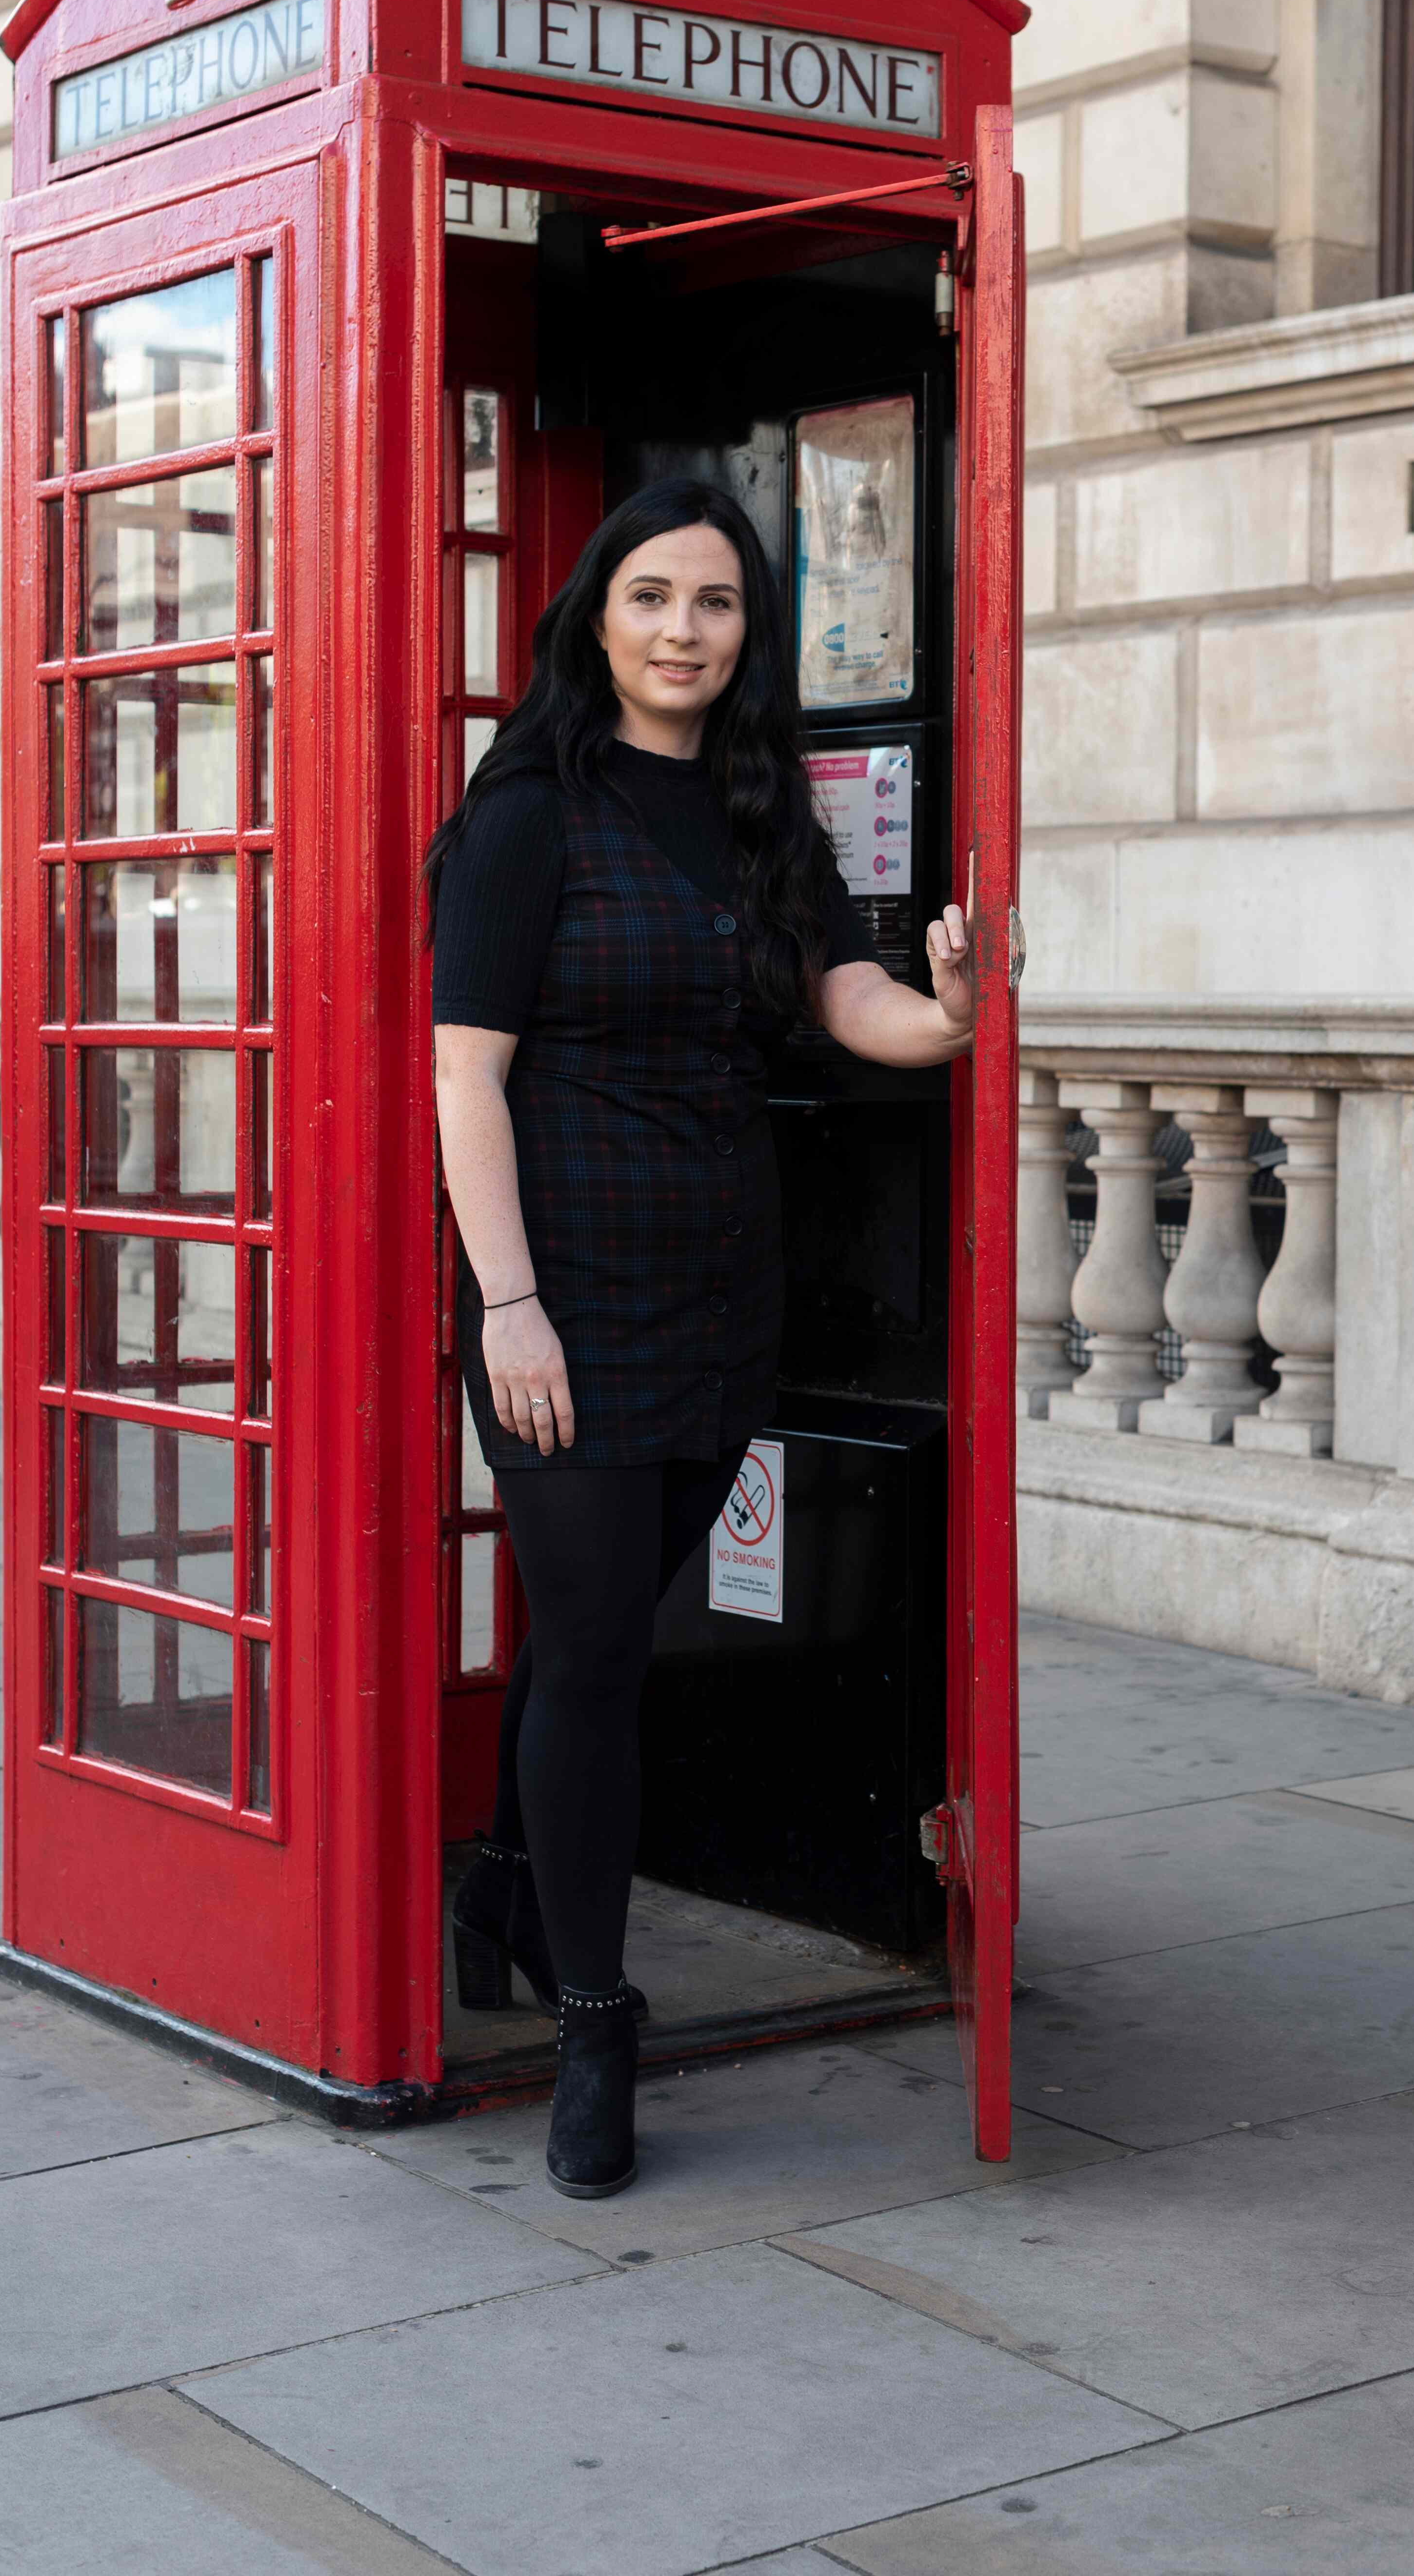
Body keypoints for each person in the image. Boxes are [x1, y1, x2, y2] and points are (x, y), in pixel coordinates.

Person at [425, 477, 975, 2198]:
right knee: (595, 1654)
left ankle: (504, 1888)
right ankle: (597, 2016)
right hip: (563, 1298)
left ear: (750, 636)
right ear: (597, 614)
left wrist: (951, 1011)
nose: (684, 630)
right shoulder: (530, 810)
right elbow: (467, 1077)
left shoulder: (756, 811)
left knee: (603, 1629)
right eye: (654, 596)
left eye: (718, 605)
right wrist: (511, 1307)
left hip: (719, 1287)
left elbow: (843, 994)